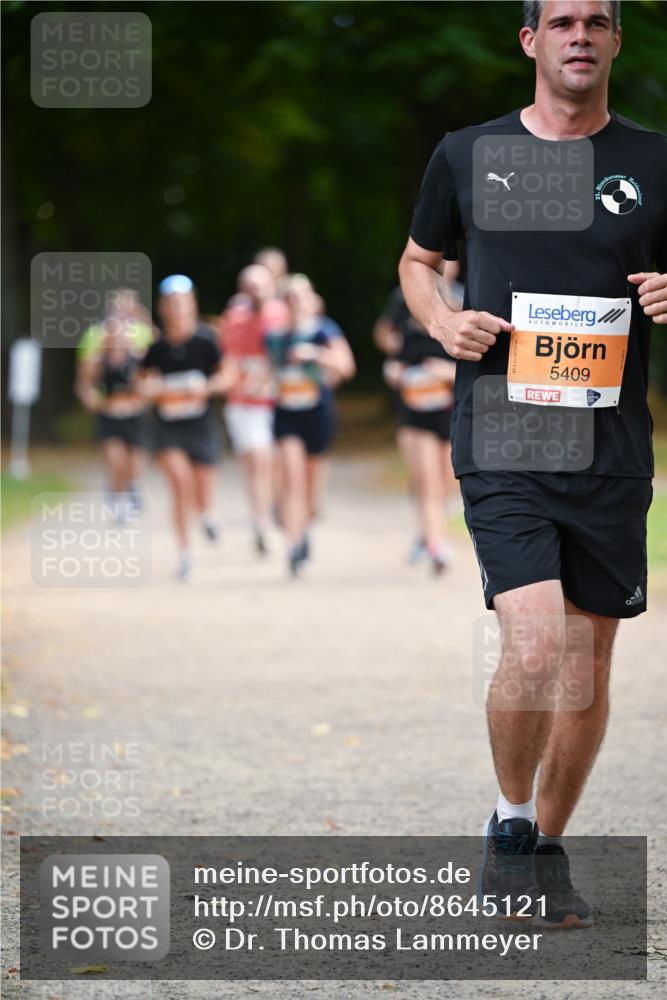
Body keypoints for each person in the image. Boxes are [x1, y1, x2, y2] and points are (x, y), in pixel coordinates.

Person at [399, 0, 666, 929]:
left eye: (597, 21)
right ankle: (509, 829)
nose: (579, 36)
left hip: (611, 444)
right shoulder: (468, 153)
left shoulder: (654, 160)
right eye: (561, 23)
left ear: (616, 41)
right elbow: (417, 260)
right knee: (536, 644)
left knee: (587, 667)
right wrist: (440, 321)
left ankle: (542, 851)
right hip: (505, 431)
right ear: (531, 41)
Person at [139, 275, 234, 581]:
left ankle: (206, 514)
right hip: (167, 427)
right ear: (163, 308)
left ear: (192, 304)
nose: (178, 309)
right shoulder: (156, 348)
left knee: (201, 489)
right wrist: (151, 388)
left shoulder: (206, 341)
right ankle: (185, 552)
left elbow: (228, 376)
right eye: (172, 304)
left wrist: (205, 387)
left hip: (200, 425)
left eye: (183, 302)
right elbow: (141, 383)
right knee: (179, 482)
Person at [267, 274, 356, 576]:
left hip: (317, 414)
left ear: (311, 299)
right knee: (292, 479)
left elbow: (346, 366)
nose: (297, 301)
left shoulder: (324, 331)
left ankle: (305, 528)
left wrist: (317, 356)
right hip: (287, 414)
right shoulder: (276, 337)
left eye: (301, 295)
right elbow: (265, 373)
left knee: (311, 489)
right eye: (290, 296)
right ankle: (294, 545)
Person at [219, 264, 290, 554]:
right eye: (250, 285)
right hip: (245, 404)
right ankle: (261, 523)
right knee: (257, 461)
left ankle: (277, 506)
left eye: (261, 284)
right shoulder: (234, 319)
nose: (256, 290)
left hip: (281, 401)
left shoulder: (284, 315)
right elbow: (226, 359)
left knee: (276, 462)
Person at [382, 299, 457, 574]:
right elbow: (393, 366)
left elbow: (470, 372)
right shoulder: (405, 335)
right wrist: (395, 373)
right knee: (427, 484)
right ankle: (436, 547)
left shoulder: (453, 333)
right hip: (415, 418)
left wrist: (446, 372)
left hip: (448, 417)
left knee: (446, 484)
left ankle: (433, 535)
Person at [75, 289, 154, 517]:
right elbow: (85, 375)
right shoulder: (96, 336)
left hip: (135, 410)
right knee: (115, 457)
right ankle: (117, 497)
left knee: (135, 459)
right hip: (109, 410)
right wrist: (90, 398)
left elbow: (156, 363)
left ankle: (132, 487)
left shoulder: (143, 333)